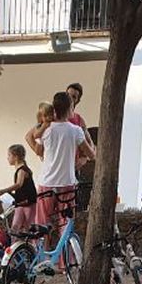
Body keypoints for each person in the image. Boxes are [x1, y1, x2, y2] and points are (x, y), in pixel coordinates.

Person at [30, 90, 92, 253]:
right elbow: (90, 153)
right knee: (65, 224)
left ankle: (41, 257)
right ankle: (65, 262)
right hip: (67, 183)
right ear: (71, 107)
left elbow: (33, 142)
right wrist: (88, 155)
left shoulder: (46, 129)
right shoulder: (76, 130)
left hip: (46, 182)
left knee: (42, 223)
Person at [0, 144, 37, 235]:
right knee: (15, 227)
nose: (7, 158)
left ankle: (33, 247)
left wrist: (2, 191)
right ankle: (14, 246)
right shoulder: (20, 169)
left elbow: (18, 184)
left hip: (28, 202)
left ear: (15, 157)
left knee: (30, 227)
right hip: (20, 202)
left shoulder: (22, 170)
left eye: (9, 155)